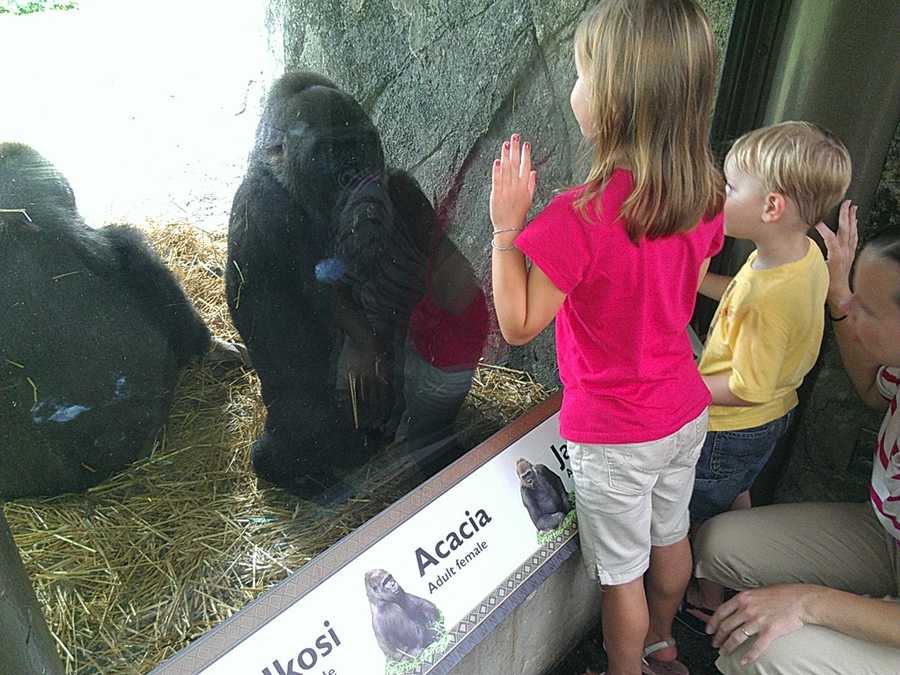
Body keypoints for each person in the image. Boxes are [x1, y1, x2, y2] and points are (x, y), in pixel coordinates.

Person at [488, 2, 724, 673]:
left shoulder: (580, 215)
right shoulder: (704, 191)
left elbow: (517, 322)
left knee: (621, 575)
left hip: (616, 433)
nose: (573, 90)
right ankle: (666, 638)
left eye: (581, 73)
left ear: (615, 97)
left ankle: (627, 667)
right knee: (672, 533)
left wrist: (506, 230)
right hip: (683, 407)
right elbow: (684, 288)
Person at [693, 201, 900, 674]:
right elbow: (871, 391)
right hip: (887, 537)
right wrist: (838, 291)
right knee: (717, 543)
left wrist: (807, 602)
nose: (846, 309)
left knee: (761, 651)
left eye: (864, 306)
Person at [679, 122, 851, 629]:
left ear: (771, 207)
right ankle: (738, 570)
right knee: (737, 491)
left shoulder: (764, 299)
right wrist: (696, 282)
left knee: (696, 514)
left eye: (732, 188)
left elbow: (744, 385)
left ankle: (708, 595)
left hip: (728, 426)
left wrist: (675, 388)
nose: (721, 194)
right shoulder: (800, 256)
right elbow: (744, 295)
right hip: (773, 418)